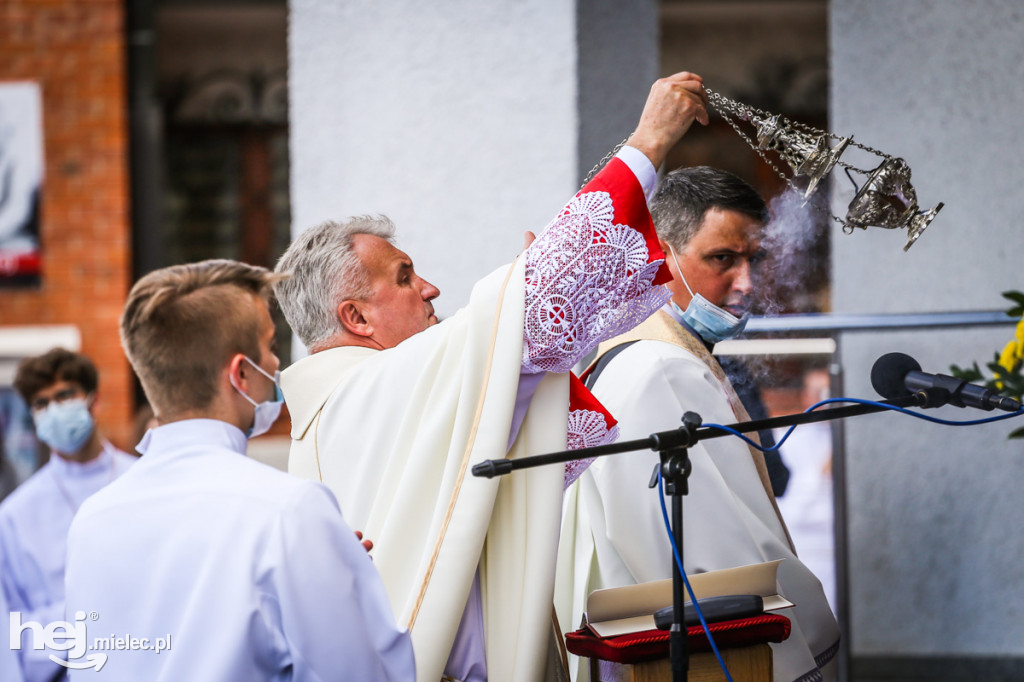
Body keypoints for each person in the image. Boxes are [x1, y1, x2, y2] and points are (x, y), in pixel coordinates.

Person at [273, 72, 709, 682]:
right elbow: (527, 314)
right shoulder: (370, 390)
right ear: (356, 316)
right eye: (403, 277)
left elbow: (507, 454)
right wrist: (649, 141)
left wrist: (534, 329)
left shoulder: (346, 402)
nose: (430, 289)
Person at [63, 260, 414, 680]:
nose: (277, 360)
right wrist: (349, 587)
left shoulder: (91, 519)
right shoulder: (290, 511)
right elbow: (363, 673)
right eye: (269, 346)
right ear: (242, 373)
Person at [558, 167, 840, 682]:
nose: (747, 283)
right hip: (689, 651)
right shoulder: (659, 368)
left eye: (753, 258)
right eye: (722, 259)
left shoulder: (651, 352)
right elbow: (713, 560)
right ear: (662, 254)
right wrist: (807, 627)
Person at [0, 348, 136, 682]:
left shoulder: (141, 482)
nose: (53, 410)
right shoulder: (15, 516)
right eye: (41, 403)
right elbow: (13, 635)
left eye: (64, 396)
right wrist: (84, 614)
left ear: (94, 401)